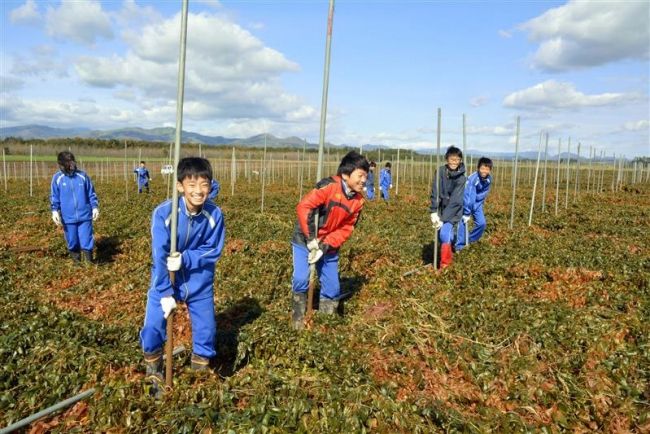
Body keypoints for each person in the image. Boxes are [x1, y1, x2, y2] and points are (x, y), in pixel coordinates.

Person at [140, 157, 225, 395]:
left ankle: (199, 374)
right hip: (165, 279)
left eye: (204, 184)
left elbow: (213, 249)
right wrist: (166, 291)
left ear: (210, 185)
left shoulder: (214, 215)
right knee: (153, 327)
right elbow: (159, 255)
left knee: (206, 330)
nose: (198, 191)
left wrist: (186, 259)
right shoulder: (164, 214)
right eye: (191, 184)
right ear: (180, 186)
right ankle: (154, 369)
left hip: (199, 282)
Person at [290, 151, 369, 329]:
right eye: (360, 175)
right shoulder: (329, 187)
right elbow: (304, 207)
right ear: (346, 174)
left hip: (328, 245)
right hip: (305, 239)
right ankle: (297, 320)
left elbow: (347, 228)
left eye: (366, 175)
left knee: (333, 288)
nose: (364, 180)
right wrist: (311, 239)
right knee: (301, 279)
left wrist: (325, 246)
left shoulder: (358, 201)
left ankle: (326, 324)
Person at [50, 151, 99, 263]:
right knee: (72, 241)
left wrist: (95, 207)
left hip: (85, 215)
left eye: (72, 163)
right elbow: (54, 196)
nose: (71, 166)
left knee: (86, 240)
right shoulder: (57, 178)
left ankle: (89, 264)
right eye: (68, 164)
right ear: (61, 165)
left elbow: (91, 193)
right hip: (68, 217)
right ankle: (77, 264)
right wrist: (54, 211)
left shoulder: (82, 176)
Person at [429, 146, 466, 269]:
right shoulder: (440, 171)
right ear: (447, 159)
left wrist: (443, 219)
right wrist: (434, 211)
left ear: (460, 160)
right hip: (441, 210)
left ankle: (445, 265)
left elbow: (456, 201)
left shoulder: (461, 178)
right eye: (452, 159)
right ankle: (449, 253)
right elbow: (436, 190)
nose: (454, 162)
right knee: (445, 236)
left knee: (444, 234)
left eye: (457, 160)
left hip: (454, 211)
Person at [456, 157, 493, 251]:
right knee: (463, 223)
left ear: (490, 170)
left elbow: (483, 194)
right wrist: (467, 212)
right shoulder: (473, 179)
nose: (484, 171)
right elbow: (468, 197)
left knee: (482, 224)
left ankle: (469, 239)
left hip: (477, 204)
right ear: (478, 168)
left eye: (487, 169)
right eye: (482, 168)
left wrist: (476, 205)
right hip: (466, 204)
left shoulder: (489, 179)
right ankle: (459, 246)